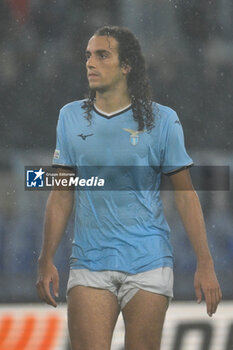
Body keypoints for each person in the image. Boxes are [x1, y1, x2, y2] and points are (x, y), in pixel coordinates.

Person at [36, 26, 222, 350]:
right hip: (89, 262)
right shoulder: (69, 117)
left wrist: (205, 263)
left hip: (149, 261)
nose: (90, 63)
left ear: (127, 66)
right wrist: (45, 258)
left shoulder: (163, 120)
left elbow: (185, 194)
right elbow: (61, 191)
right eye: (88, 55)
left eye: (102, 55)